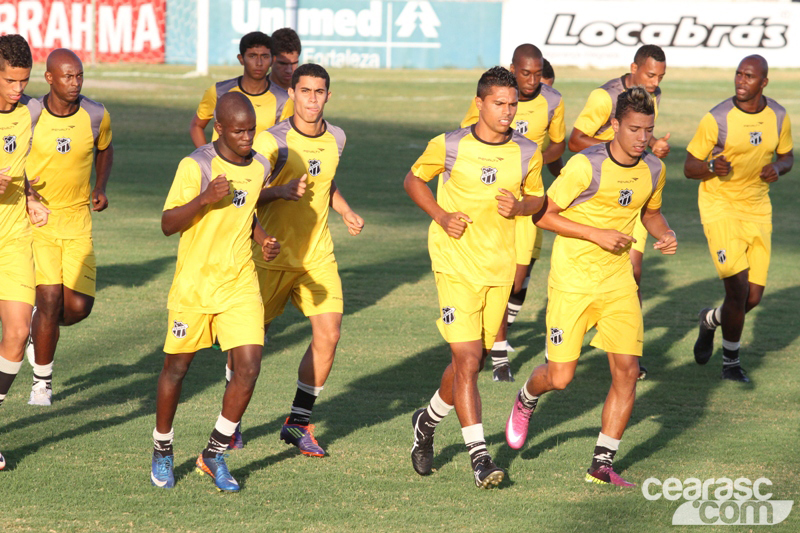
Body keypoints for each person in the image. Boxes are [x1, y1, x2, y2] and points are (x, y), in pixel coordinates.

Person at [505, 87, 677, 487]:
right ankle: (528, 396)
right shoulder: (585, 166)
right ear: (614, 125)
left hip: (618, 283)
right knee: (561, 378)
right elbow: (544, 216)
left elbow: (651, 212)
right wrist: (597, 234)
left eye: (648, 130)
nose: (641, 138)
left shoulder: (653, 168)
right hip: (573, 283)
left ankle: (602, 463)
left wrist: (664, 232)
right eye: (634, 129)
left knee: (628, 372)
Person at [406, 66, 544, 488]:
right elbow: (414, 179)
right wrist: (442, 215)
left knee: (473, 361)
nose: (507, 112)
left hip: (498, 267)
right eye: (499, 104)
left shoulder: (526, 151)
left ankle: (425, 423)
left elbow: (538, 197)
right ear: (480, 103)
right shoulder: (449, 144)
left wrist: (520, 208)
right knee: (466, 359)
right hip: (454, 264)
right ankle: (480, 457)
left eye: (512, 105)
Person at [226, 63, 363, 456]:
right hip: (270, 257)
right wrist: (278, 192)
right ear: (292, 94)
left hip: (316, 257)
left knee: (330, 334)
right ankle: (231, 423)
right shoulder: (272, 143)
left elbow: (327, 180)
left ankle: (298, 423)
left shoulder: (337, 137)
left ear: (328, 96)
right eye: (305, 91)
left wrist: (344, 209)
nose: (312, 99)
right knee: (250, 344)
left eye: (319, 92)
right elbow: (246, 192)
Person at [150, 92, 280, 491]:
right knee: (177, 369)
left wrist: (261, 239)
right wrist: (205, 199)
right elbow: (168, 223)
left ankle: (214, 453)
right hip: (194, 285)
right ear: (218, 128)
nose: (247, 139)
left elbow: (249, 207)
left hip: (239, 282)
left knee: (249, 367)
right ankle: (163, 449)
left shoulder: (259, 165)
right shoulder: (196, 166)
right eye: (238, 131)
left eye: (252, 131)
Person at [685, 55, 792, 383]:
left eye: (749, 77)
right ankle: (731, 362)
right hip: (720, 208)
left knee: (753, 296)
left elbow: (787, 156)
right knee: (738, 288)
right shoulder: (717, 118)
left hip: (757, 209)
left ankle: (710, 321)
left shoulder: (778, 116)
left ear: (763, 83)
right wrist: (711, 167)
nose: (740, 81)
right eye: (738, 74)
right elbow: (690, 167)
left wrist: (778, 168)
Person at [460, 44, 564, 382]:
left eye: (537, 73)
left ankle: (490, 341)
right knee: (501, 280)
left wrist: (531, 166)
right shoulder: (494, 98)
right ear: (513, 69)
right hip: (491, 206)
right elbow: (466, 139)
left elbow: (559, 145)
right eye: (525, 73)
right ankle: (499, 354)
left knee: (517, 281)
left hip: (526, 203)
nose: (532, 80)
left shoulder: (553, 101)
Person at [568, 44, 672, 380]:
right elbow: (575, 140)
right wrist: (613, 153)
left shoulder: (647, 100)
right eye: (650, 74)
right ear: (634, 67)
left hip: (634, 196)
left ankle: (627, 353)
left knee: (634, 272)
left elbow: (640, 135)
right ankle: (567, 338)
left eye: (660, 77)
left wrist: (652, 146)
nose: (655, 82)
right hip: (600, 196)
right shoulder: (604, 98)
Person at [25, 48, 112, 406]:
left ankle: (37, 329)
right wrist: (26, 192)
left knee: (76, 307)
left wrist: (101, 186)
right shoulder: (29, 113)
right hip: (39, 220)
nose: (74, 83)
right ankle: (41, 383)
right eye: (67, 76)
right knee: (47, 298)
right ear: (49, 78)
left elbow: (105, 149)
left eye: (78, 76)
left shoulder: (95, 114)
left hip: (78, 221)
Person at [0, 34, 49, 470]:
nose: (18, 89)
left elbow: (27, 164)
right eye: (11, 81)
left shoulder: (29, 112)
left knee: (17, 333)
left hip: (14, 239)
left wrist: (31, 195)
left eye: (23, 80)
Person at [189, 31, 291, 148]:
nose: (259, 63)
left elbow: (286, 142)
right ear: (241, 59)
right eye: (252, 56)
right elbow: (196, 125)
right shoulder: (219, 92)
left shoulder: (283, 100)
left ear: (272, 60)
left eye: (264, 56)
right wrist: (206, 156)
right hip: (222, 166)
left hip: (263, 166)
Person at [268, 28, 301, 94]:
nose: (289, 70)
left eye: (294, 63)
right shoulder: (255, 91)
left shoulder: (307, 92)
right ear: (270, 59)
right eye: (283, 63)